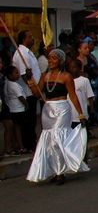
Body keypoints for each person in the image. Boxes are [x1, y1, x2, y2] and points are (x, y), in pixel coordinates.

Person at [26, 49, 89, 184]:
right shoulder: (44, 76)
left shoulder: (66, 76)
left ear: (60, 61)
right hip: (47, 110)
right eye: (49, 58)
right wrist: (30, 80)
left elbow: (72, 96)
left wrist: (81, 114)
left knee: (58, 140)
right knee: (49, 142)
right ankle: (54, 170)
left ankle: (61, 172)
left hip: (62, 109)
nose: (50, 61)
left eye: (54, 58)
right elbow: (37, 94)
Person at [12, 30, 41, 152]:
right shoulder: (21, 53)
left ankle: (32, 141)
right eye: (30, 37)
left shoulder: (28, 52)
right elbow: (25, 75)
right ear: (24, 39)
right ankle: (29, 144)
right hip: (28, 92)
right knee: (29, 120)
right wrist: (33, 89)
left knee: (33, 119)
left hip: (34, 90)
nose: (32, 39)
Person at [3, 64, 26, 155]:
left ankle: (15, 146)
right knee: (18, 129)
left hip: (12, 109)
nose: (18, 74)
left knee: (14, 129)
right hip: (18, 110)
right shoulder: (13, 85)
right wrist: (26, 105)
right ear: (10, 75)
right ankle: (20, 147)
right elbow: (20, 97)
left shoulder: (7, 83)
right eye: (16, 73)